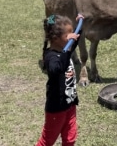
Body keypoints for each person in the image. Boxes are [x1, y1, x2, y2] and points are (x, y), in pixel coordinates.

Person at [36, 14, 82, 146]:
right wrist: (67, 52)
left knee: (70, 138)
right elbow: (56, 69)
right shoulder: (51, 56)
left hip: (70, 104)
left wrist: (80, 26)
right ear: (56, 38)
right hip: (56, 108)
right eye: (68, 35)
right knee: (47, 141)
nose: (72, 37)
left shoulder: (65, 49)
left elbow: (75, 41)